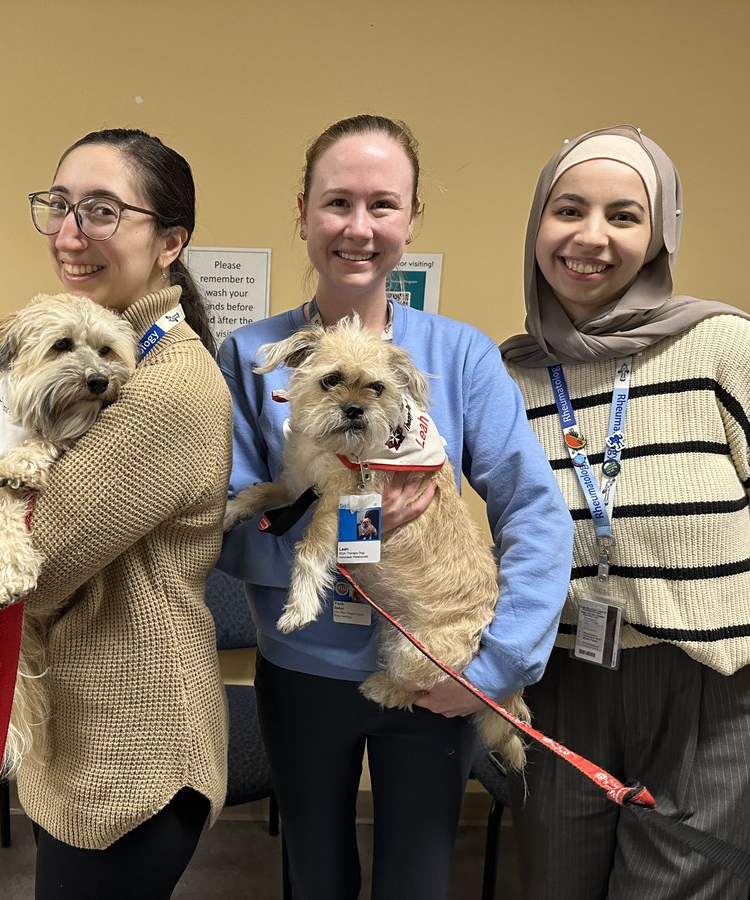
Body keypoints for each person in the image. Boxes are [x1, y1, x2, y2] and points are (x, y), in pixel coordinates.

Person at [217, 114, 573, 899]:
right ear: (303, 212)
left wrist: (498, 662)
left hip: (436, 669)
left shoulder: (458, 355)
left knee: (416, 877)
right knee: (315, 873)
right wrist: (363, 527)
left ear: (411, 220)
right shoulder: (250, 356)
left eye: (383, 204)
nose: (358, 227)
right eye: (337, 202)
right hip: (304, 669)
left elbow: (535, 513)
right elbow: (233, 534)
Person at [501, 125, 750, 899]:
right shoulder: (510, 374)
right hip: (563, 675)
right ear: (537, 224)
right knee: (556, 884)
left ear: (658, 236)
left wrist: (711, 601)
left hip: (709, 682)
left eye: (624, 216)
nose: (590, 237)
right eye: (567, 209)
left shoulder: (725, 343)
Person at [0, 128, 231, 899]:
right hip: (83, 736)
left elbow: (25, 572)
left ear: (170, 241)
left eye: (102, 211)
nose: (71, 234)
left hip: (130, 748)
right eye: (61, 207)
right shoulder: (118, 356)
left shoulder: (165, 387)